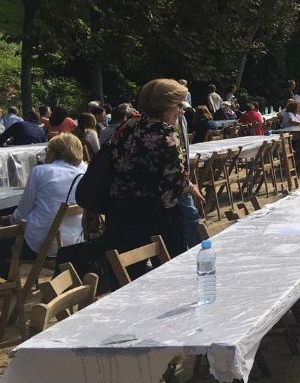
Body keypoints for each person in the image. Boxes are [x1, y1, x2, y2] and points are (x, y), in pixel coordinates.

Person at [107, 79, 201, 269]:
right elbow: (173, 180)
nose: (180, 111)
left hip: (121, 211)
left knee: (132, 273)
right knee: (172, 270)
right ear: (165, 105)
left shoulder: (127, 126)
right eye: (178, 105)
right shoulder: (165, 133)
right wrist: (190, 187)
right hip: (156, 215)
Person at [0, 134, 87, 273]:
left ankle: (9, 286)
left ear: (54, 152)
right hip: (73, 243)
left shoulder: (40, 171)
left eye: (47, 150)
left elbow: (23, 213)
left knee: (4, 241)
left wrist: (9, 220)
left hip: (40, 245)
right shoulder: (83, 175)